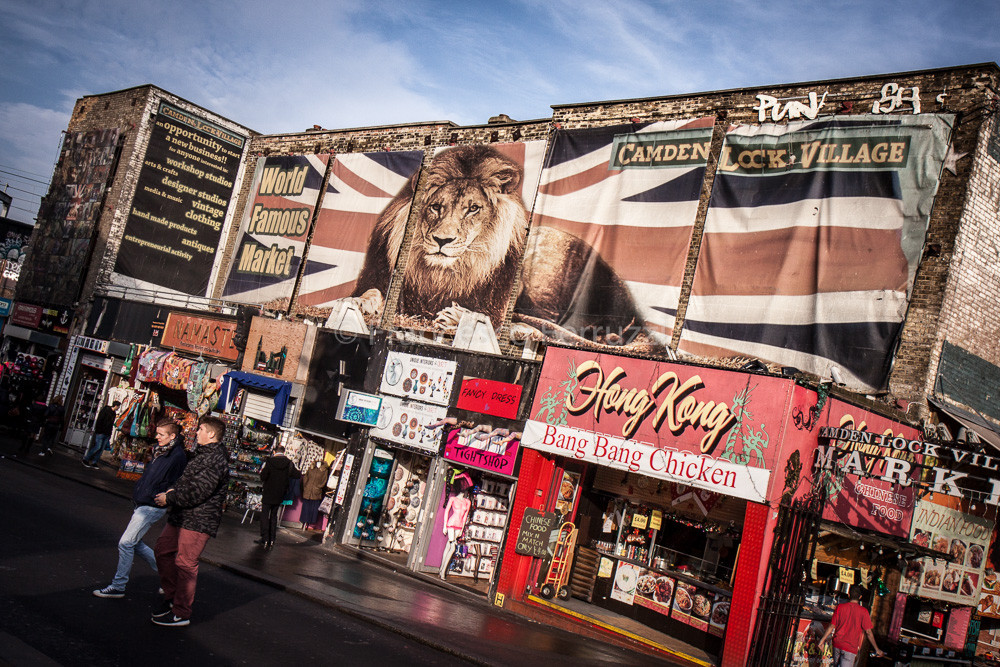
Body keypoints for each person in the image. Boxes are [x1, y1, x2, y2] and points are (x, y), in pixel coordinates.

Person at [92, 420, 187, 598]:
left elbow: (180, 481)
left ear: (172, 436)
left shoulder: (177, 456)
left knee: (126, 543)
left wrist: (168, 495)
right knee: (135, 544)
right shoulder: (161, 451)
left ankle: (118, 586)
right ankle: (170, 576)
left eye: (161, 434)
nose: (157, 437)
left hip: (152, 505)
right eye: (157, 433)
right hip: (143, 501)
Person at [150, 416, 230, 627]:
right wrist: (174, 491)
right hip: (182, 515)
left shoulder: (216, 460)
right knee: (162, 550)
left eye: (201, 429)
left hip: (198, 520)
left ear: (211, 434)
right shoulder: (201, 455)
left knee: (185, 563)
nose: (197, 432)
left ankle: (181, 612)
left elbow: (198, 491)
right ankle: (172, 596)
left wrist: (170, 497)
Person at [820, 584, 885, 666]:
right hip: (850, 648)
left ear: (849, 595)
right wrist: (877, 649)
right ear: (860, 597)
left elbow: (831, 626)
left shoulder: (840, 607)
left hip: (837, 644)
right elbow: (868, 632)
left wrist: (822, 640)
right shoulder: (864, 612)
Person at [256, 444, 300, 548]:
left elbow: (263, 477)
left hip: (268, 492)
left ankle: (264, 538)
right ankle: (272, 539)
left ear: (275, 452)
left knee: (265, 515)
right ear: (284, 452)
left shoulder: (269, 462)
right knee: (274, 515)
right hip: (280, 493)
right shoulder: (289, 463)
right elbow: (297, 475)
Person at [439, 487, 471, 580]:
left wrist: (462, 529)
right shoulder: (453, 499)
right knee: (453, 547)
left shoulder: (467, 502)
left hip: (459, 525)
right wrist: (445, 525)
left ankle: (441, 568)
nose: (464, 492)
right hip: (451, 523)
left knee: (448, 545)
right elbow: (447, 511)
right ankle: (443, 572)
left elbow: (465, 516)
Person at [84, 400, 121, 468]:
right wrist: (99, 430)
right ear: (116, 406)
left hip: (107, 433)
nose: (118, 408)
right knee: (97, 447)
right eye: (118, 406)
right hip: (101, 432)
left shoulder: (113, 413)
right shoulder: (106, 410)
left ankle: (94, 462)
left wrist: (109, 433)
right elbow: (100, 420)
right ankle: (86, 459)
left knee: (101, 449)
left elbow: (110, 424)